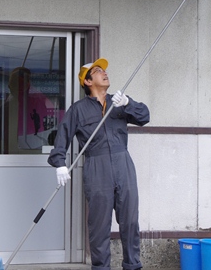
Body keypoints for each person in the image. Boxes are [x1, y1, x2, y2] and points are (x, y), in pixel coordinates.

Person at [47, 58, 149, 270]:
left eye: (104, 70)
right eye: (97, 71)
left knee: (130, 221)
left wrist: (128, 104)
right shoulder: (78, 110)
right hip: (96, 166)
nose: (104, 73)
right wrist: (60, 164)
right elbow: (62, 137)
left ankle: (133, 265)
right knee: (99, 226)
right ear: (87, 81)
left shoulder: (118, 102)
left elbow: (144, 116)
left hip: (123, 163)